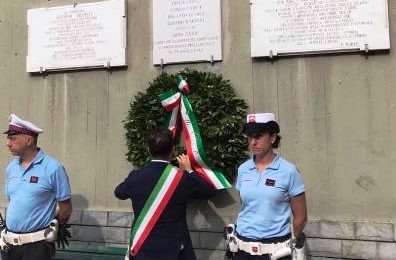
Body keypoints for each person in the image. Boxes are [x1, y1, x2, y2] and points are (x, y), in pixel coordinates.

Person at [114, 128, 215, 260]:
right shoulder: (181, 179)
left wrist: (134, 177)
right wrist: (189, 171)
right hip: (174, 253)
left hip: (143, 252)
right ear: (172, 151)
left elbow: (119, 192)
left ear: (148, 150)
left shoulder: (136, 177)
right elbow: (208, 191)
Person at [231, 113, 307, 260]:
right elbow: (247, 207)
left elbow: (301, 217)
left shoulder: (289, 171)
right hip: (242, 250)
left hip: (276, 252)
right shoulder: (243, 169)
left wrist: (288, 245)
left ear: (272, 138)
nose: (253, 142)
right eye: (250, 137)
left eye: (258, 136)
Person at [1, 114, 72, 260]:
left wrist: (55, 225)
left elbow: (65, 207)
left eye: (12, 138)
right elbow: (14, 201)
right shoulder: (11, 168)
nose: (7, 143)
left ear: (28, 140)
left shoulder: (53, 168)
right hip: (9, 247)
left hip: (37, 248)